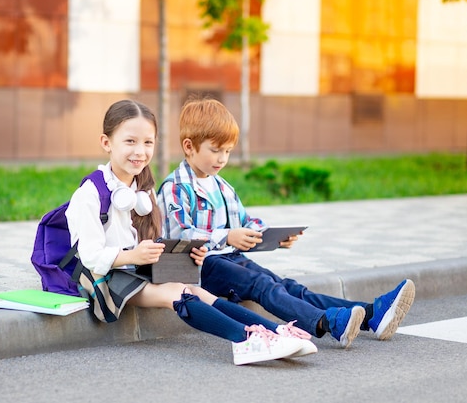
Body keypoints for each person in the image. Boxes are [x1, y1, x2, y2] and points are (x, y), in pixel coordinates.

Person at [65, 99, 316, 366]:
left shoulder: (143, 190)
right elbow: (90, 256)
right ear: (107, 143)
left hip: (134, 265)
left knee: (196, 290)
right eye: (130, 141)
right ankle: (245, 340)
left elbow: (152, 243)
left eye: (148, 142)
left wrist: (185, 255)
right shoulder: (90, 194)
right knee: (177, 293)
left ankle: (274, 331)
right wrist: (134, 256)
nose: (140, 151)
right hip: (102, 276)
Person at [157, 98, 416, 349]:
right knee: (263, 286)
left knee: (288, 286)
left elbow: (245, 222)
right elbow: (180, 233)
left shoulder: (221, 186)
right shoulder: (175, 187)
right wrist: (227, 237)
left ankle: (372, 314)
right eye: (215, 150)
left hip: (230, 259)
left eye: (227, 151)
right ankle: (327, 322)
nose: (222, 158)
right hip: (202, 265)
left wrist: (269, 235)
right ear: (189, 146)